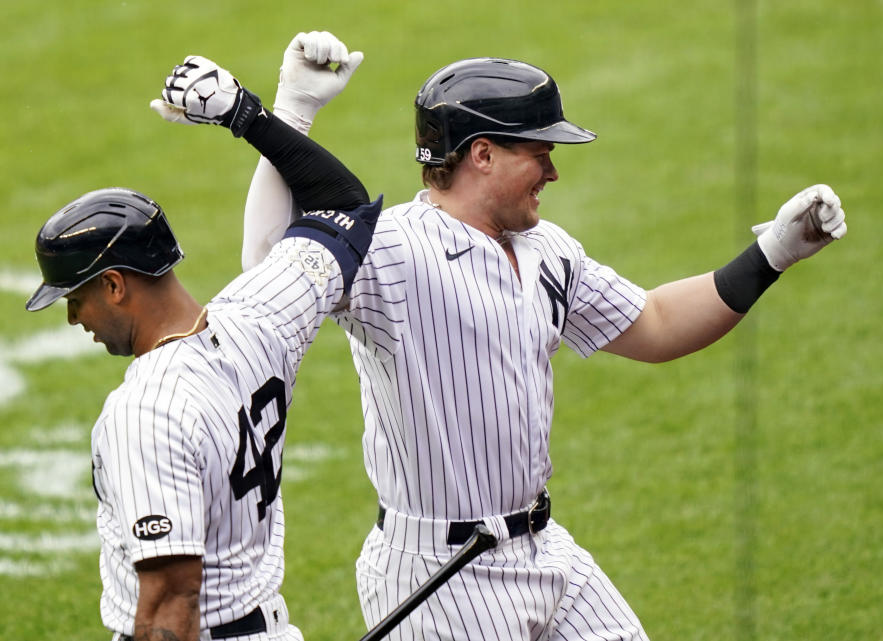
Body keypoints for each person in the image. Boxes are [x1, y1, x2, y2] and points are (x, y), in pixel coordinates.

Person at [156, 43, 847, 640]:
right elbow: (269, 261)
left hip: (546, 551)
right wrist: (285, 112)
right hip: (440, 577)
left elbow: (658, 323)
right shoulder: (395, 246)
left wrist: (776, 253)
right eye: (540, 153)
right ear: (481, 155)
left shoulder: (546, 249)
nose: (553, 172)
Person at [27, 32, 378, 641]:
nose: (72, 319)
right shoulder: (259, 320)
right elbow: (340, 206)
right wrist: (256, 114)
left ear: (114, 285)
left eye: (75, 299)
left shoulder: (145, 411)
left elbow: (170, 605)